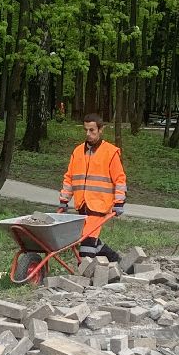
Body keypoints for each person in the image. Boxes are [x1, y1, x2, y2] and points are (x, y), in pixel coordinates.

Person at [58, 113, 127, 264]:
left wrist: (119, 202)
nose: (88, 134)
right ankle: (117, 261)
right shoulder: (77, 152)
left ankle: (84, 271)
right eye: (86, 130)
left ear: (100, 130)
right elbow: (69, 178)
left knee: (87, 244)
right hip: (82, 205)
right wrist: (64, 200)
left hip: (99, 206)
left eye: (92, 130)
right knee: (91, 240)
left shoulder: (110, 152)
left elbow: (120, 179)